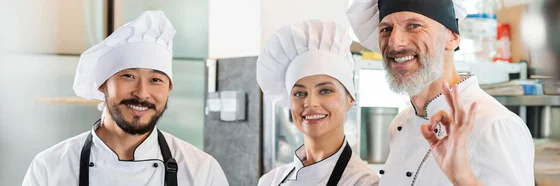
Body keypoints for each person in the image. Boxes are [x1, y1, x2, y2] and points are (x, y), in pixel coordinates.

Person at [22, 11, 228, 186]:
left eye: (156, 79)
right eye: (128, 76)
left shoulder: (202, 171)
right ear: (103, 83)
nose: (142, 93)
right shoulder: (50, 168)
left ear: (169, 89)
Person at [346, 0, 535, 185]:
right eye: (386, 29)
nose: (395, 42)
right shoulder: (399, 125)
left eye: (413, 25)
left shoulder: (494, 125)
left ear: (452, 37)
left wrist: (463, 178)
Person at [256, 20, 380, 186]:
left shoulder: (363, 182)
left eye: (325, 91)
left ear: (350, 97)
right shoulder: (271, 181)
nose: (310, 103)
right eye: (299, 93)